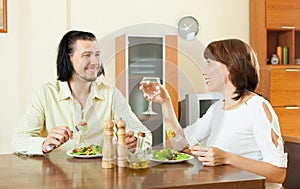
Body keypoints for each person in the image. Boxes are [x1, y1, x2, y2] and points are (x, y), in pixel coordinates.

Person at [142, 39, 287, 189]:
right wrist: (165, 102)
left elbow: (277, 174)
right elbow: (179, 142)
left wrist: (227, 157)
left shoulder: (257, 107)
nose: (204, 71)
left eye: (210, 62)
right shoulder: (217, 109)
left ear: (230, 66)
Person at [11, 30, 152, 155]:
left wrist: (135, 143)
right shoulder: (46, 94)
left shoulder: (111, 94)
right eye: (87, 55)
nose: (95, 62)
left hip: (100, 178)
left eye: (97, 55)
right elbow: (18, 140)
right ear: (68, 58)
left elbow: (144, 135)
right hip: (58, 179)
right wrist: (43, 144)